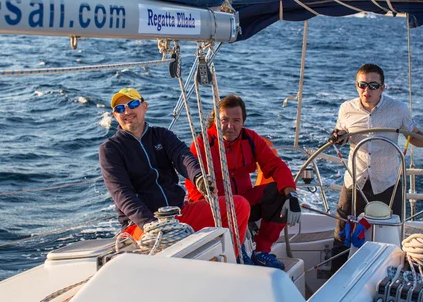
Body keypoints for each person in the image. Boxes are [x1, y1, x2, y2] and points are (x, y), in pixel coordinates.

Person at [99, 87, 250, 255]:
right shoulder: (110, 150)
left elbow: (183, 156)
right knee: (164, 248)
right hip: (140, 225)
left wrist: (199, 177)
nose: (126, 111)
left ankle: (232, 259)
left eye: (132, 104)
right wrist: (150, 224)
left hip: (177, 215)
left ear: (144, 107)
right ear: (115, 116)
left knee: (238, 206)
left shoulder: (162, 135)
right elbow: (122, 194)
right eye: (119, 109)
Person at [328, 64, 423, 267]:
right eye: (362, 85)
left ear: (383, 87)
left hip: (387, 183)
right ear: (356, 86)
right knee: (342, 236)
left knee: (391, 238)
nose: (367, 91)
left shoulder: (398, 109)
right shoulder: (346, 109)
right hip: (355, 182)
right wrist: (338, 137)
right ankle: (335, 277)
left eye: (373, 85)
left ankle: (390, 277)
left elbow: (413, 135)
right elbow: (342, 135)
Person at [185, 94, 301, 270]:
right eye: (224, 120)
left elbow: (276, 166)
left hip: (246, 203)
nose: (230, 126)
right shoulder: (202, 144)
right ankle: (237, 251)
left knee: (279, 193)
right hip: (216, 208)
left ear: (243, 121)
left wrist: (291, 195)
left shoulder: (251, 139)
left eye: (236, 120)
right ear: (215, 120)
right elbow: (193, 187)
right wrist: (218, 208)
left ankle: (262, 252)